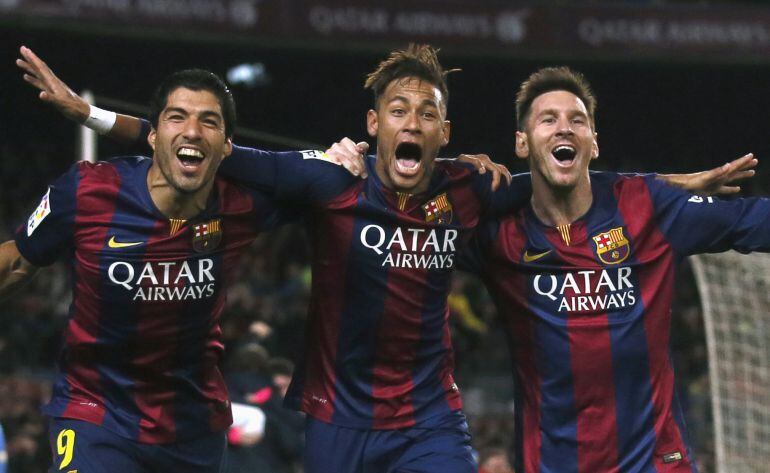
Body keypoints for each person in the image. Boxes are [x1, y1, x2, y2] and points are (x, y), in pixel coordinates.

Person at [17, 45, 754, 473]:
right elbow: (204, 148)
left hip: (431, 416)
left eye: (427, 112)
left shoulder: (472, 189)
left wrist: (678, 185)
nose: (413, 121)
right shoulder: (328, 180)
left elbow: (574, 186)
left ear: (444, 132)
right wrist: (92, 116)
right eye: (398, 109)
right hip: (335, 419)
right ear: (373, 126)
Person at [0, 66, 363, 472]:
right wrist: (92, 116)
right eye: (177, 118)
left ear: (227, 147)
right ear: (152, 135)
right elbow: (16, 261)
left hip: (191, 427)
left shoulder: (242, 204)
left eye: (208, 121)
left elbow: (334, 180)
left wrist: (348, 159)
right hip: (96, 411)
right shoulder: (89, 190)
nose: (192, 131)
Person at [463, 66, 769, 473]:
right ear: (522, 142)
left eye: (577, 120)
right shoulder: (499, 237)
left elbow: (749, 220)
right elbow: (407, 223)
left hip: (657, 462)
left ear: (594, 143)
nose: (564, 129)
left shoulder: (647, 208)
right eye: (547, 119)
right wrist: (458, 178)